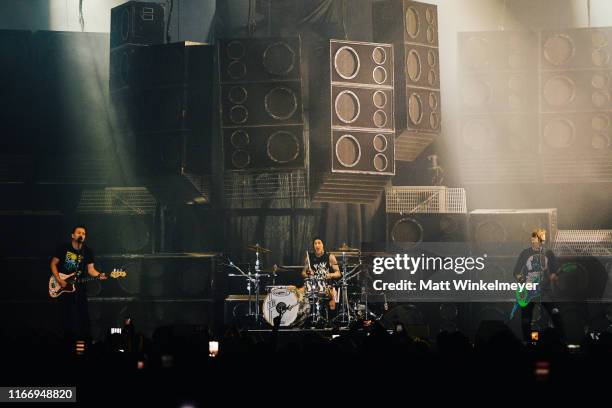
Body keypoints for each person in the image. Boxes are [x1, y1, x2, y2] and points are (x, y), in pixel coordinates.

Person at [50, 225, 106, 345]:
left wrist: (99, 275)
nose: (81, 235)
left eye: (84, 233)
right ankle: (65, 340)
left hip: (79, 286)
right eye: (79, 232)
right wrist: (59, 280)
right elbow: (53, 264)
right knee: (65, 313)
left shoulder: (87, 252)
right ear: (73, 235)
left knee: (83, 313)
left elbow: (91, 270)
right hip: (63, 284)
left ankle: (86, 340)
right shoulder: (64, 248)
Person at [513, 228, 564, 343]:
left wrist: (554, 276)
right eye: (534, 240)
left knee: (556, 315)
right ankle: (529, 342)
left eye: (539, 240)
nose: (535, 242)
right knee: (527, 320)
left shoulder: (549, 253)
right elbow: (516, 272)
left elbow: (555, 271)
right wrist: (524, 284)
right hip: (529, 292)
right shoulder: (525, 253)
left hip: (545, 291)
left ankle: (560, 342)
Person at [301, 237, 341, 311]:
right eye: (315, 243)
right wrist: (309, 275)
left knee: (333, 301)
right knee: (299, 293)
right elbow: (303, 273)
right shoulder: (309, 258)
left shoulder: (330, 257)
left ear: (323, 245)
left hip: (327, 285)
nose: (317, 245)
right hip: (313, 285)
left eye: (319, 243)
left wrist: (330, 275)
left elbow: (338, 273)